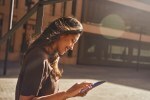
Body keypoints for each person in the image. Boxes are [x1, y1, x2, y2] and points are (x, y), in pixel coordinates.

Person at [15, 17, 92, 100]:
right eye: (73, 40)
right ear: (62, 34)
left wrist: (72, 94)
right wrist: (66, 94)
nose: (72, 47)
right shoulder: (38, 58)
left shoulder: (50, 58)